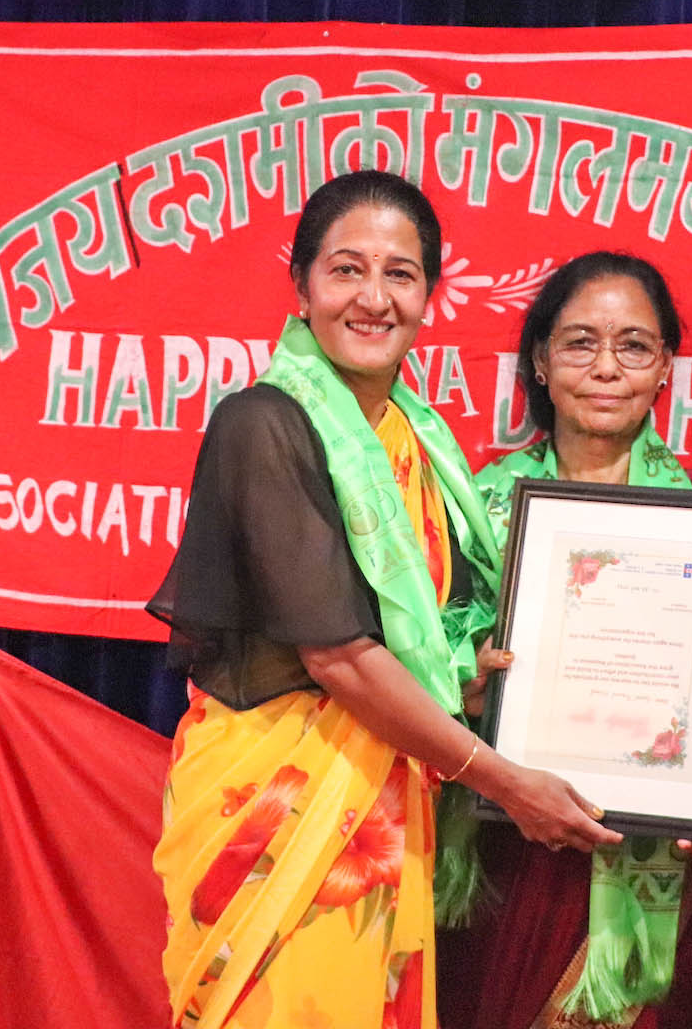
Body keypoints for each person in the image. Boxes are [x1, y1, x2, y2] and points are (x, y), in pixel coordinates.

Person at [148, 171, 621, 1029]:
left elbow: (405, 646)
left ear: (430, 296)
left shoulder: (412, 438)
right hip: (277, 810)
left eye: (400, 274)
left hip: (386, 808)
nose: (374, 298)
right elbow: (337, 657)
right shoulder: (263, 424)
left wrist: (466, 686)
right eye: (347, 270)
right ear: (301, 287)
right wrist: (506, 782)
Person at [438, 251, 692, 1029]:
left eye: (633, 345)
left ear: (665, 366)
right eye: (580, 343)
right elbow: (402, 683)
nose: (606, 367)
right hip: (505, 863)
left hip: (676, 876)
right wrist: (463, 689)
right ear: (540, 360)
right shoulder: (465, 514)